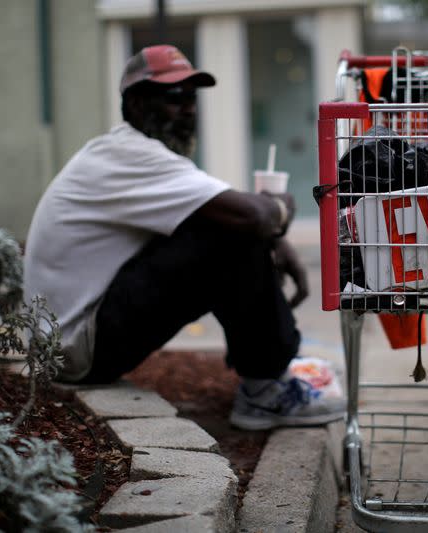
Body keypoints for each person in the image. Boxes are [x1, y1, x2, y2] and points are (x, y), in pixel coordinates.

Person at [23, 45, 344, 430]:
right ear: (138, 105)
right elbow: (251, 215)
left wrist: (272, 236)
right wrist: (281, 208)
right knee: (230, 236)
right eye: (175, 97)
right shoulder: (132, 156)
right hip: (77, 351)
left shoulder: (128, 154)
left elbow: (229, 209)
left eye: (192, 98)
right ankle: (266, 392)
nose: (190, 109)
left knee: (223, 226)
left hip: (71, 341)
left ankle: (266, 379)